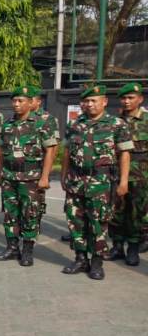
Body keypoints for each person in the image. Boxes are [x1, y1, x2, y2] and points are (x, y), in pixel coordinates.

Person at [61, 84, 132, 280]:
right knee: (75, 221)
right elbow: (67, 152)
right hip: (76, 180)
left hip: (101, 182)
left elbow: (125, 154)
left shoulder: (117, 125)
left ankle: (97, 262)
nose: (89, 104)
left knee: (98, 223)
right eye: (86, 101)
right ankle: (80, 258)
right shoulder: (74, 125)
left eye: (94, 101)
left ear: (104, 102)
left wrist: (123, 181)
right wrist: (63, 175)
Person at [0, 86, 57, 266]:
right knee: (10, 214)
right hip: (9, 177)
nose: (16, 104)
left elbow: (50, 151)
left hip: (31, 177)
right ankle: (12, 248)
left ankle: (27, 250)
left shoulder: (41, 124)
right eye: (14, 101)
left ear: (30, 103)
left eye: (21, 101)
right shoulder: (7, 124)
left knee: (30, 214)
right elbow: (1, 149)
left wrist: (45, 177)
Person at [103, 83, 148, 266]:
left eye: (131, 97)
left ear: (140, 99)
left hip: (141, 177)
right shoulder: (115, 122)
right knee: (116, 212)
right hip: (117, 175)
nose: (127, 101)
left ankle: (133, 249)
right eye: (124, 98)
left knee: (136, 214)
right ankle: (117, 247)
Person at [29, 91, 60, 231]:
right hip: (24, 166)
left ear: (38, 101)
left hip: (40, 164)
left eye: (31, 100)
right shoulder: (20, 118)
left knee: (38, 197)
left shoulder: (48, 119)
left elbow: (54, 145)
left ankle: (36, 221)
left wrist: (49, 167)